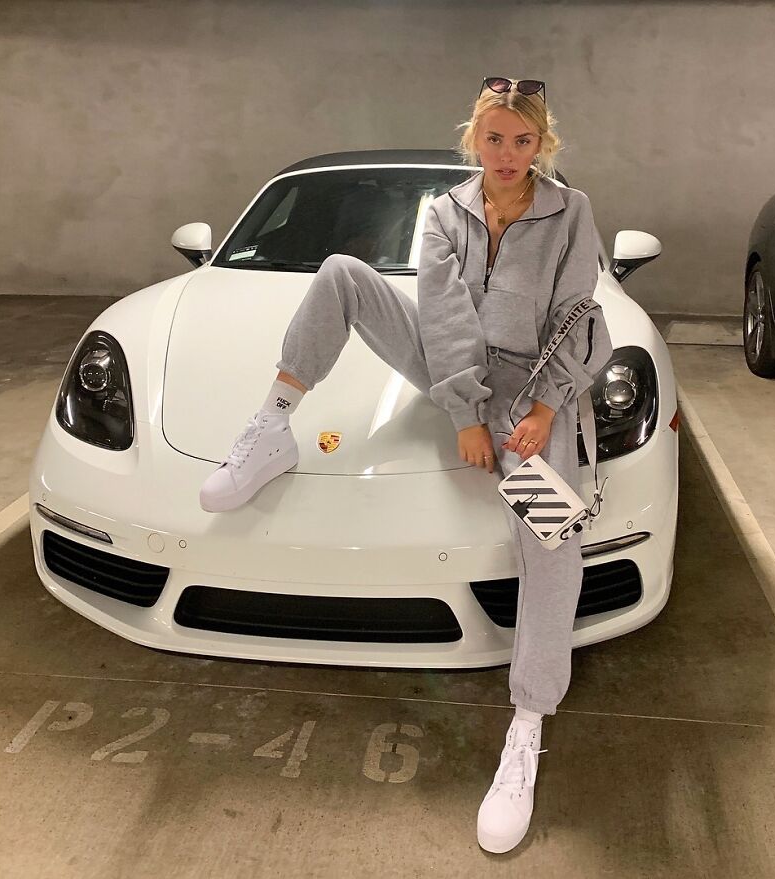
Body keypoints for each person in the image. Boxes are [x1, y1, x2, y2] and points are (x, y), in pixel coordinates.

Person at [199, 76, 613, 854]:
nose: (507, 154)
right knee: (342, 275)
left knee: (552, 544)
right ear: (473, 138)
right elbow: (444, 310)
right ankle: (272, 426)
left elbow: (578, 313)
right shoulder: (444, 213)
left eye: (523, 140)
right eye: (494, 138)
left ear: (543, 143)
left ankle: (527, 724)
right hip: (458, 370)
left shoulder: (571, 211)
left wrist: (543, 410)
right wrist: (463, 414)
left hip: (530, 390)